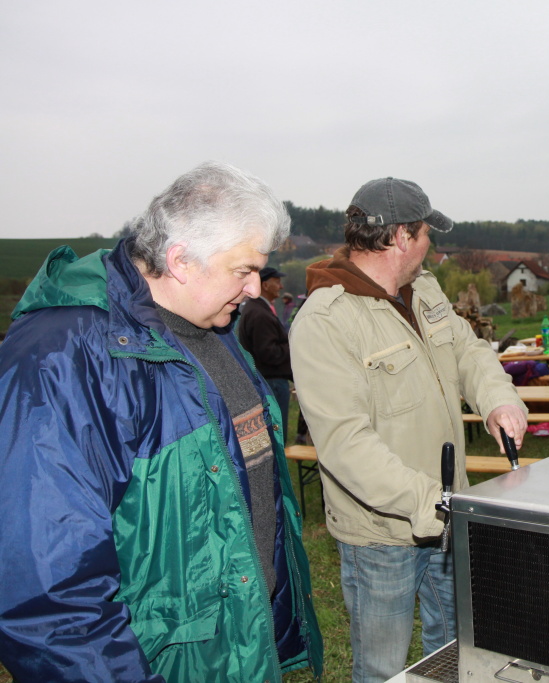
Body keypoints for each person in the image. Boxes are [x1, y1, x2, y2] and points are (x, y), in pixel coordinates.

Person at [0, 162, 323, 682]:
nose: (254, 289)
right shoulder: (62, 359)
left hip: (237, 647)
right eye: (243, 270)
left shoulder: (213, 328)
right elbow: (48, 595)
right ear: (180, 261)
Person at [289, 177, 527, 683]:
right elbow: (345, 445)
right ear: (401, 237)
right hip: (381, 537)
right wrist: (431, 503)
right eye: (425, 235)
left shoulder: (424, 290)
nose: (430, 246)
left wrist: (499, 400)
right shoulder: (325, 321)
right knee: (384, 669)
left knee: (458, 655)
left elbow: (467, 350)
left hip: (448, 516)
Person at [238, 266, 293, 441]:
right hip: (272, 382)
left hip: (268, 380)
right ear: (265, 285)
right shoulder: (259, 313)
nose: (281, 286)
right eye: (277, 282)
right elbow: (269, 353)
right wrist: (293, 346)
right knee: (276, 437)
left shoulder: (257, 309)